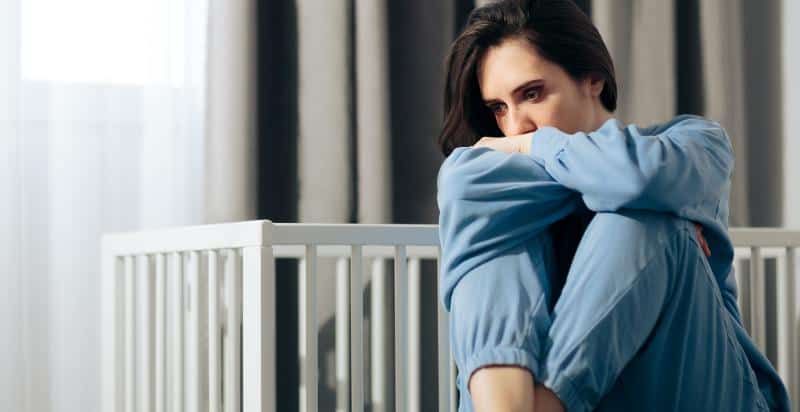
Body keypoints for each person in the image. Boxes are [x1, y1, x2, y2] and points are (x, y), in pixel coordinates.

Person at [436, 0, 790, 411]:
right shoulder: (494, 181)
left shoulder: (691, 144)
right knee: (488, 208)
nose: (515, 126)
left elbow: (642, 177)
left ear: (592, 78)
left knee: (642, 214)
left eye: (531, 94)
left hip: (702, 391)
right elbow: (463, 178)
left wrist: (536, 146)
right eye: (498, 108)